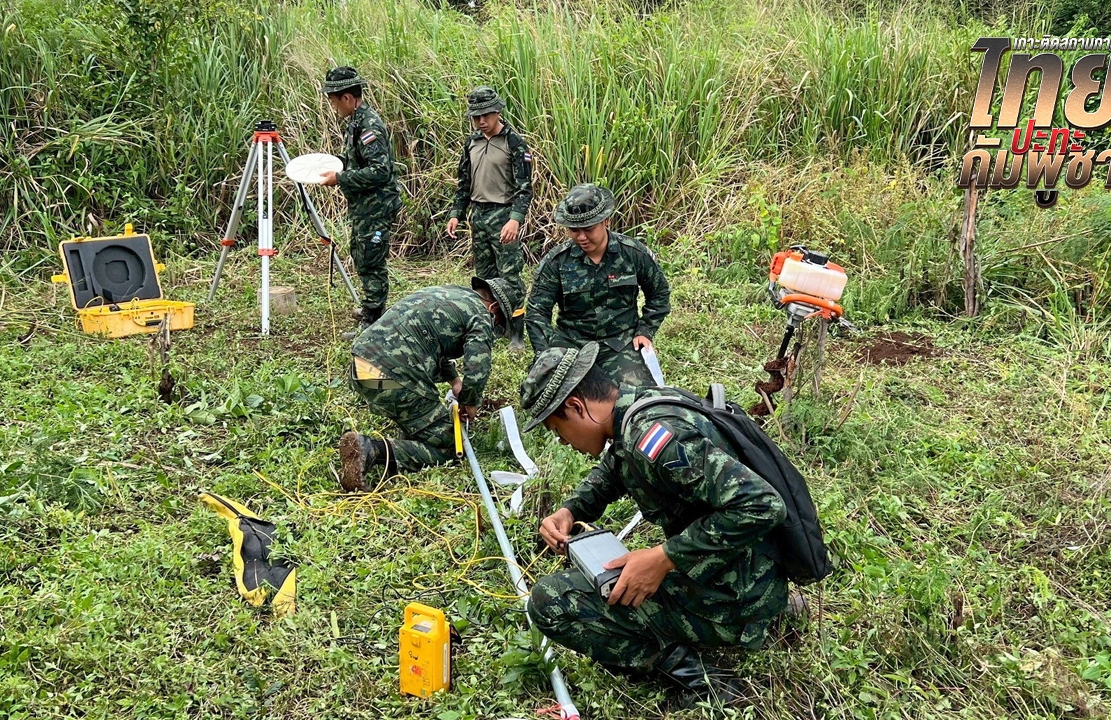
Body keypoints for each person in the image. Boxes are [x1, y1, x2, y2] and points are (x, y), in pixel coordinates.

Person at [518, 343, 790, 707]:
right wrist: (570, 509)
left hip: (736, 596)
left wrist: (663, 558)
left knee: (550, 601)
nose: (562, 442)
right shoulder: (638, 409)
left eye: (558, 430)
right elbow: (616, 467)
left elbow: (763, 505)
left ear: (576, 407)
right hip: (746, 573)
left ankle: (707, 683)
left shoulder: (655, 437)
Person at [338, 277, 521, 491]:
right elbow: (478, 366)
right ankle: (371, 450)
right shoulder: (481, 315)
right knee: (451, 444)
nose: (495, 327)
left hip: (361, 369)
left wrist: (455, 381)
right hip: (392, 377)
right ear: (494, 308)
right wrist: (470, 401)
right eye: (499, 323)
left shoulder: (448, 294)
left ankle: (411, 430)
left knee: (416, 413)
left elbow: (430, 341)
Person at [525, 184, 670, 386]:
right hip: (571, 344)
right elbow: (537, 311)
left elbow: (659, 293)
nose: (581, 237)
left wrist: (645, 331)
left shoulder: (632, 254)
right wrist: (545, 352)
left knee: (639, 396)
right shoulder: (556, 262)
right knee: (546, 392)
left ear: (606, 220)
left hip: (620, 343)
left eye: (588, 229)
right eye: (574, 230)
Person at [444, 86, 533, 350]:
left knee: (510, 277)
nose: (481, 121)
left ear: (497, 112)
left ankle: (516, 332)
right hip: (479, 216)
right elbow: (464, 183)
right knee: (484, 277)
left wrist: (515, 219)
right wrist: (457, 213)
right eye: (476, 117)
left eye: (486, 115)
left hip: (503, 215)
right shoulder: (471, 143)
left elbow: (524, 187)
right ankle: (493, 325)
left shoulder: (513, 142)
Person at [316, 66, 403, 335]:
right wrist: (333, 164)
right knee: (362, 255)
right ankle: (370, 310)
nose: (333, 106)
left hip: (377, 206)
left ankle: (373, 321)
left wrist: (340, 178)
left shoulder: (369, 126)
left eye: (334, 100)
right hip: (364, 206)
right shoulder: (355, 122)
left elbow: (380, 171)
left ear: (347, 98)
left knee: (371, 260)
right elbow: (356, 160)